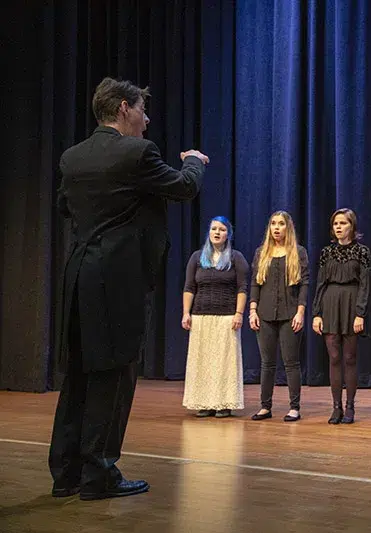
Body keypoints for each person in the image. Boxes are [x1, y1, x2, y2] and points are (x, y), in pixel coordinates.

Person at [49, 77, 207, 500]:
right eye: (142, 109)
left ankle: (65, 473)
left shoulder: (72, 156)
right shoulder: (138, 152)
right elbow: (184, 187)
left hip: (79, 272)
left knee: (79, 374)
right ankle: (98, 474)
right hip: (116, 280)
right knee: (114, 375)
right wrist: (193, 160)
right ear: (123, 108)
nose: (147, 117)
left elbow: (66, 206)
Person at [181, 216, 249, 418]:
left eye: (221, 229)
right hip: (201, 317)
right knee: (203, 361)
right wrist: (186, 312)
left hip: (226, 317)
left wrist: (239, 313)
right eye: (213, 229)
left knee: (223, 362)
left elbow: (242, 287)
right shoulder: (197, 257)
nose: (217, 233)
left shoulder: (236, 258)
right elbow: (189, 287)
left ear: (228, 233)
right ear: (208, 233)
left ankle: (223, 404)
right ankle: (205, 402)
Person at [249, 211, 309, 422]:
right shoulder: (261, 253)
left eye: (281, 224)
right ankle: (265, 407)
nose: (276, 228)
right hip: (265, 313)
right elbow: (255, 283)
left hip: (289, 313)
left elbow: (304, 285)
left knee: (291, 363)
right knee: (267, 363)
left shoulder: (298, 252)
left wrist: (300, 312)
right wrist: (252, 310)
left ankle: (294, 407)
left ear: (288, 227)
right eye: (273, 223)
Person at [312, 209, 371, 424]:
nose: (338, 227)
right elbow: (320, 283)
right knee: (334, 358)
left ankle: (350, 407)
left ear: (352, 226)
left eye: (343, 223)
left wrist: (360, 313)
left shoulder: (362, 252)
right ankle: (335, 407)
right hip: (330, 304)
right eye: (336, 223)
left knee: (349, 358)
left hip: (351, 303)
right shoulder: (327, 252)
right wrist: (316, 313)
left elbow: (365, 285)